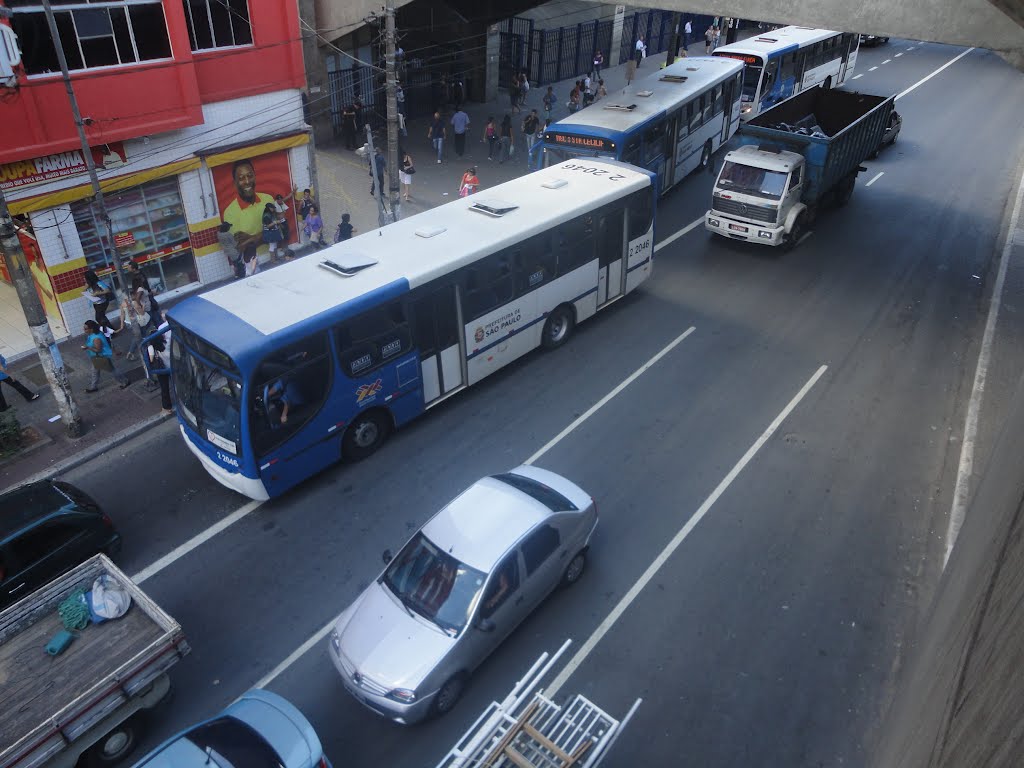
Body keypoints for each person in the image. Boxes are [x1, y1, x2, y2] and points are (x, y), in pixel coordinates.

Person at [221, 159, 276, 262]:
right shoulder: (229, 213)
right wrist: (264, 235)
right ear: (235, 183)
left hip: (274, 256)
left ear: (255, 177)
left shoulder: (268, 199)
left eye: (250, 176)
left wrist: (254, 238)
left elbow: (278, 230)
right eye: (241, 178)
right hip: (252, 264)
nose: (247, 182)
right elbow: (240, 247)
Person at [82, 320, 129, 392]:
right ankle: (93, 387)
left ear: (91, 329)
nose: (84, 330)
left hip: (102, 356)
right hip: (96, 357)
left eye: (86, 329)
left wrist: (88, 348)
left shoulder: (96, 338)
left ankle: (125, 381)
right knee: (95, 371)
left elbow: (98, 350)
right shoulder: (92, 334)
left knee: (113, 370)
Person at [146, 320, 173, 416]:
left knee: (164, 387)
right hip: (172, 366)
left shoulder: (152, 347)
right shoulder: (169, 343)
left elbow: (151, 358)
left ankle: (167, 407)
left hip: (161, 368)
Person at [83, 269, 115, 336]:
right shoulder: (89, 284)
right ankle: (110, 331)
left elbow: (107, 290)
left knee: (99, 318)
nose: (84, 279)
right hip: (96, 303)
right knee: (101, 317)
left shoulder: (98, 283)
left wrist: (99, 293)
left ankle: (109, 332)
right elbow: (85, 291)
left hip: (102, 303)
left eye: (85, 278)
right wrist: (85, 287)